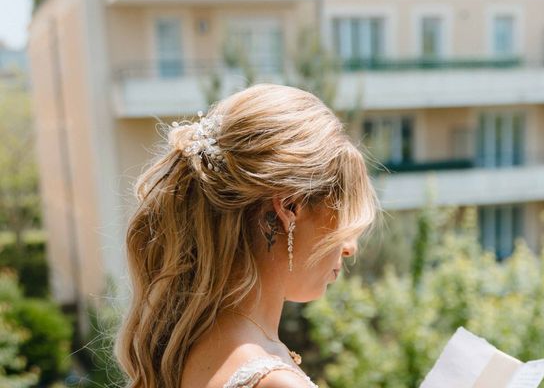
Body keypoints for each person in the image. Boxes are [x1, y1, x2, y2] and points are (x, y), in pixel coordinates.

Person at [116, 84, 379, 388]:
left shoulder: (189, 348)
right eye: (343, 214)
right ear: (290, 207)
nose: (350, 247)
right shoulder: (272, 382)